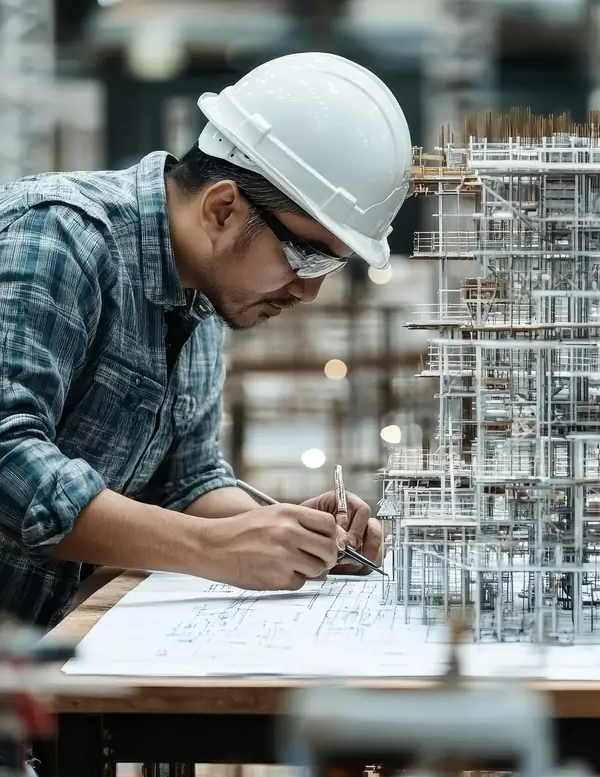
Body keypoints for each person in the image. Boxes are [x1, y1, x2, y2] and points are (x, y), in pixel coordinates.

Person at [0, 52, 412, 632]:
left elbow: (185, 482)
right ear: (222, 208)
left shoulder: (201, 296)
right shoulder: (59, 235)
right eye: (305, 256)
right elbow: (7, 455)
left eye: (331, 266)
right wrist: (215, 547)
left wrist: (291, 537)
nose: (310, 292)